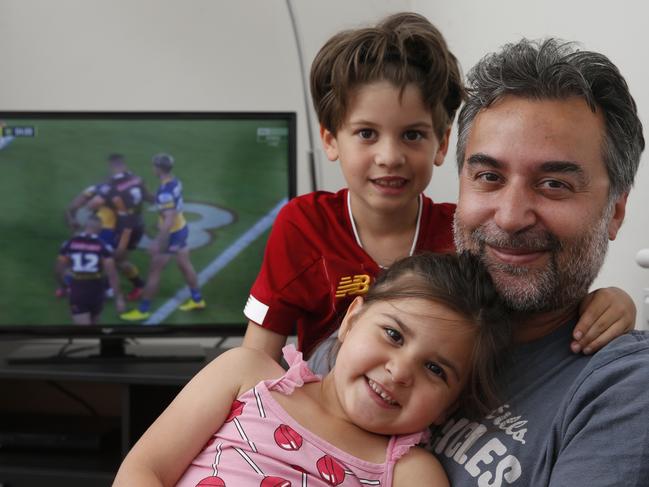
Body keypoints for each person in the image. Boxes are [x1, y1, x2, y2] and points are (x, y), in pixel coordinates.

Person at [242, 12, 635, 371]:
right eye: (366, 134)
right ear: (330, 139)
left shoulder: (462, 235)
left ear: (442, 143)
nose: (389, 156)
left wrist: (614, 300)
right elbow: (255, 356)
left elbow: (531, 298)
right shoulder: (304, 224)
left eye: (412, 134)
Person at [431, 38, 649, 485]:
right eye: (489, 177)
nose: (510, 218)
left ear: (617, 210)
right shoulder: (396, 322)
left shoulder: (624, 389)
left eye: (553, 184)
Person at [114, 252, 512, 486]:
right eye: (393, 334)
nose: (400, 371)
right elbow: (143, 469)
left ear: (449, 406)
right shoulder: (246, 374)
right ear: (352, 321)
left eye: (435, 369)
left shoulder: (412, 473)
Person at [120, 153, 205, 321]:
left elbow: (169, 217)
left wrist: (158, 241)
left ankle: (143, 310)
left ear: (158, 168)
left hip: (171, 234)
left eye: (154, 166)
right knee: (184, 265)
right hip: (181, 228)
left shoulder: (164, 191)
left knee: (154, 271)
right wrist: (147, 194)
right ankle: (197, 299)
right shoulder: (174, 182)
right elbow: (166, 205)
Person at [87, 153, 149, 300]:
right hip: (138, 225)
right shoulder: (136, 178)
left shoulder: (112, 185)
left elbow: (93, 204)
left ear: (112, 166)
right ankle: (133, 285)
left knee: (113, 257)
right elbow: (147, 196)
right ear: (123, 164)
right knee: (119, 259)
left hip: (124, 228)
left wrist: (101, 203)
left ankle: (113, 288)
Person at [55, 214, 125, 324]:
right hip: (97, 291)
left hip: (78, 290)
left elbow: (59, 269)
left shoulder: (70, 244)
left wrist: (63, 287)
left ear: (85, 226)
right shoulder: (104, 247)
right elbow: (112, 275)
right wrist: (119, 299)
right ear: (100, 229)